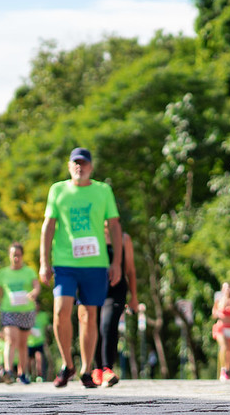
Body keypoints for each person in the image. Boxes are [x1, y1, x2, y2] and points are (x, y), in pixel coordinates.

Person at [39, 147, 123, 388]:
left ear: (91, 167)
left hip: (95, 263)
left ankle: (86, 370)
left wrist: (116, 262)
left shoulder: (103, 190)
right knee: (60, 311)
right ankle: (68, 364)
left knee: (88, 315)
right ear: (69, 166)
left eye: (84, 163)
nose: (79, 166)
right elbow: (48, 226)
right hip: (65, 262)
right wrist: (44, 262)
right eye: (75, 163)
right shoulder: (58, 190)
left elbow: (114, 226)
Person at [92, 224, 138, 388]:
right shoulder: (92, 234)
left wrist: (134, 297)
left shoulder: (124, 239)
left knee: (108, 324)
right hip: (94, 288)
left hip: (116, 289)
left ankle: (107, 369)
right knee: (94, 326)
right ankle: (96, 369)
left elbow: (130, 269)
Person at [0, 242, 40, 385]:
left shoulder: (29, 271)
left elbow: (37, 286)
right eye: (13, 255)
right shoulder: (3, 273)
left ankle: (22, 373)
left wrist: (34, 293)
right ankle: (8, 371)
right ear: (9, 256)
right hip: (9, 311)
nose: (16, 258)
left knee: (23, 343)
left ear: (22, 256)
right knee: (11, 340)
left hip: (26, 311)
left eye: (18, 255)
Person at [27, 300, 51, 382]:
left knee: (39, 358)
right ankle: (29, 375)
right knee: (29, 360)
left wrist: (47, 337)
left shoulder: (43, 315)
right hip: (29, 342)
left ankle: (39, 375)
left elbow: (46, 327)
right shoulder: (28, 315)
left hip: (40, 341)